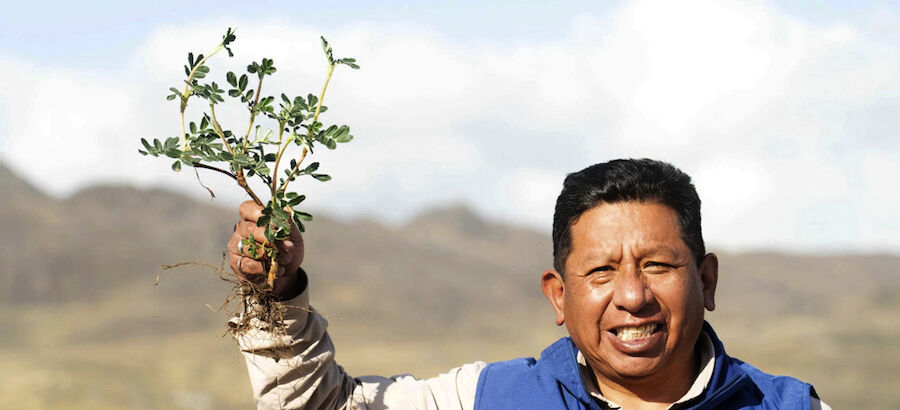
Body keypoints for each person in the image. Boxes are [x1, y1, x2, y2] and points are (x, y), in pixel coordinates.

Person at [227, 158, 829, 409]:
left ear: (706, 279)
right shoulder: (487, 399)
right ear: (558, 296)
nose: (633, 296)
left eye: (657, 265)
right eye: (600, 271)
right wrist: (277, 299)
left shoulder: (788, 408)